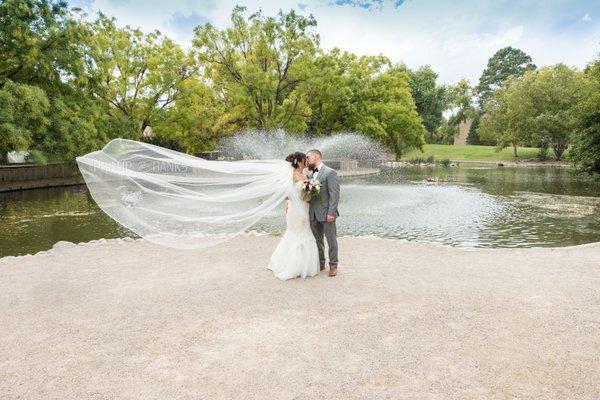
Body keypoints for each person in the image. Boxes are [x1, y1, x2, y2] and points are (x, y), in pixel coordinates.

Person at [266, 152, 320, 280]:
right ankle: (292, 266)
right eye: (305, 159)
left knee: (304, 232)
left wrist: (311, 191)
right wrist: (288, 201)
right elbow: (286, 190)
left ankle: (303, 265)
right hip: (296, 210)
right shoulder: (293, 174)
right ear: (300, 161)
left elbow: (304, 192)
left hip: (304, 207)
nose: (307, 160)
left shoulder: (305, 174)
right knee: (295, 233)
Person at [305, 149, 340, 277]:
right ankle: (320, 263)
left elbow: (334, 195)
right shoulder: (309, 175)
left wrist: (331, 212)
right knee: (317, 241)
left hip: (327, 214)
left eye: (308, 157)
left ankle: (333, 266)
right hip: (313, 213)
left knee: (331, 241)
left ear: (316, 157)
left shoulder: (330, 172)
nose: (306, 160)